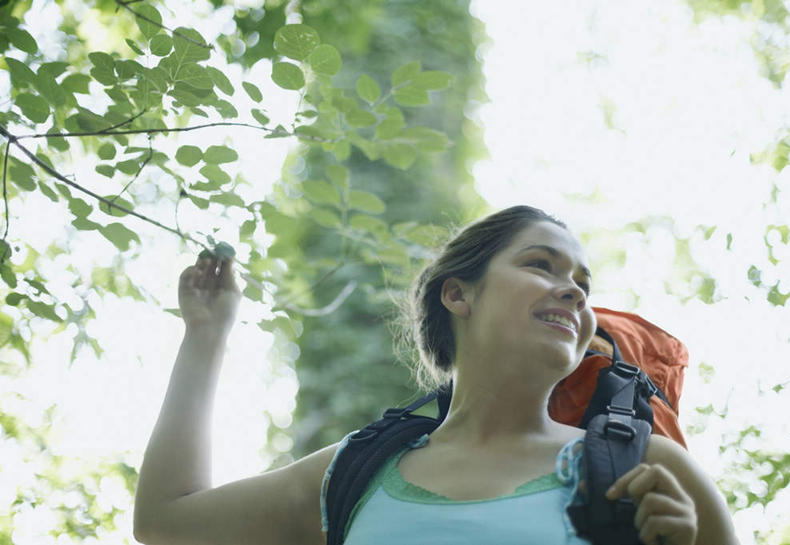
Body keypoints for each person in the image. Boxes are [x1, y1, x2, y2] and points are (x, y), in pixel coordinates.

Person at [133, 205, 739, 545]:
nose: (574, 293)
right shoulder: (354, 471)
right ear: (458, 294)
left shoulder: (647, 470)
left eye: (584, 284)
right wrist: (205, 336)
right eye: (540, 264)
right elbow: (164, 521)